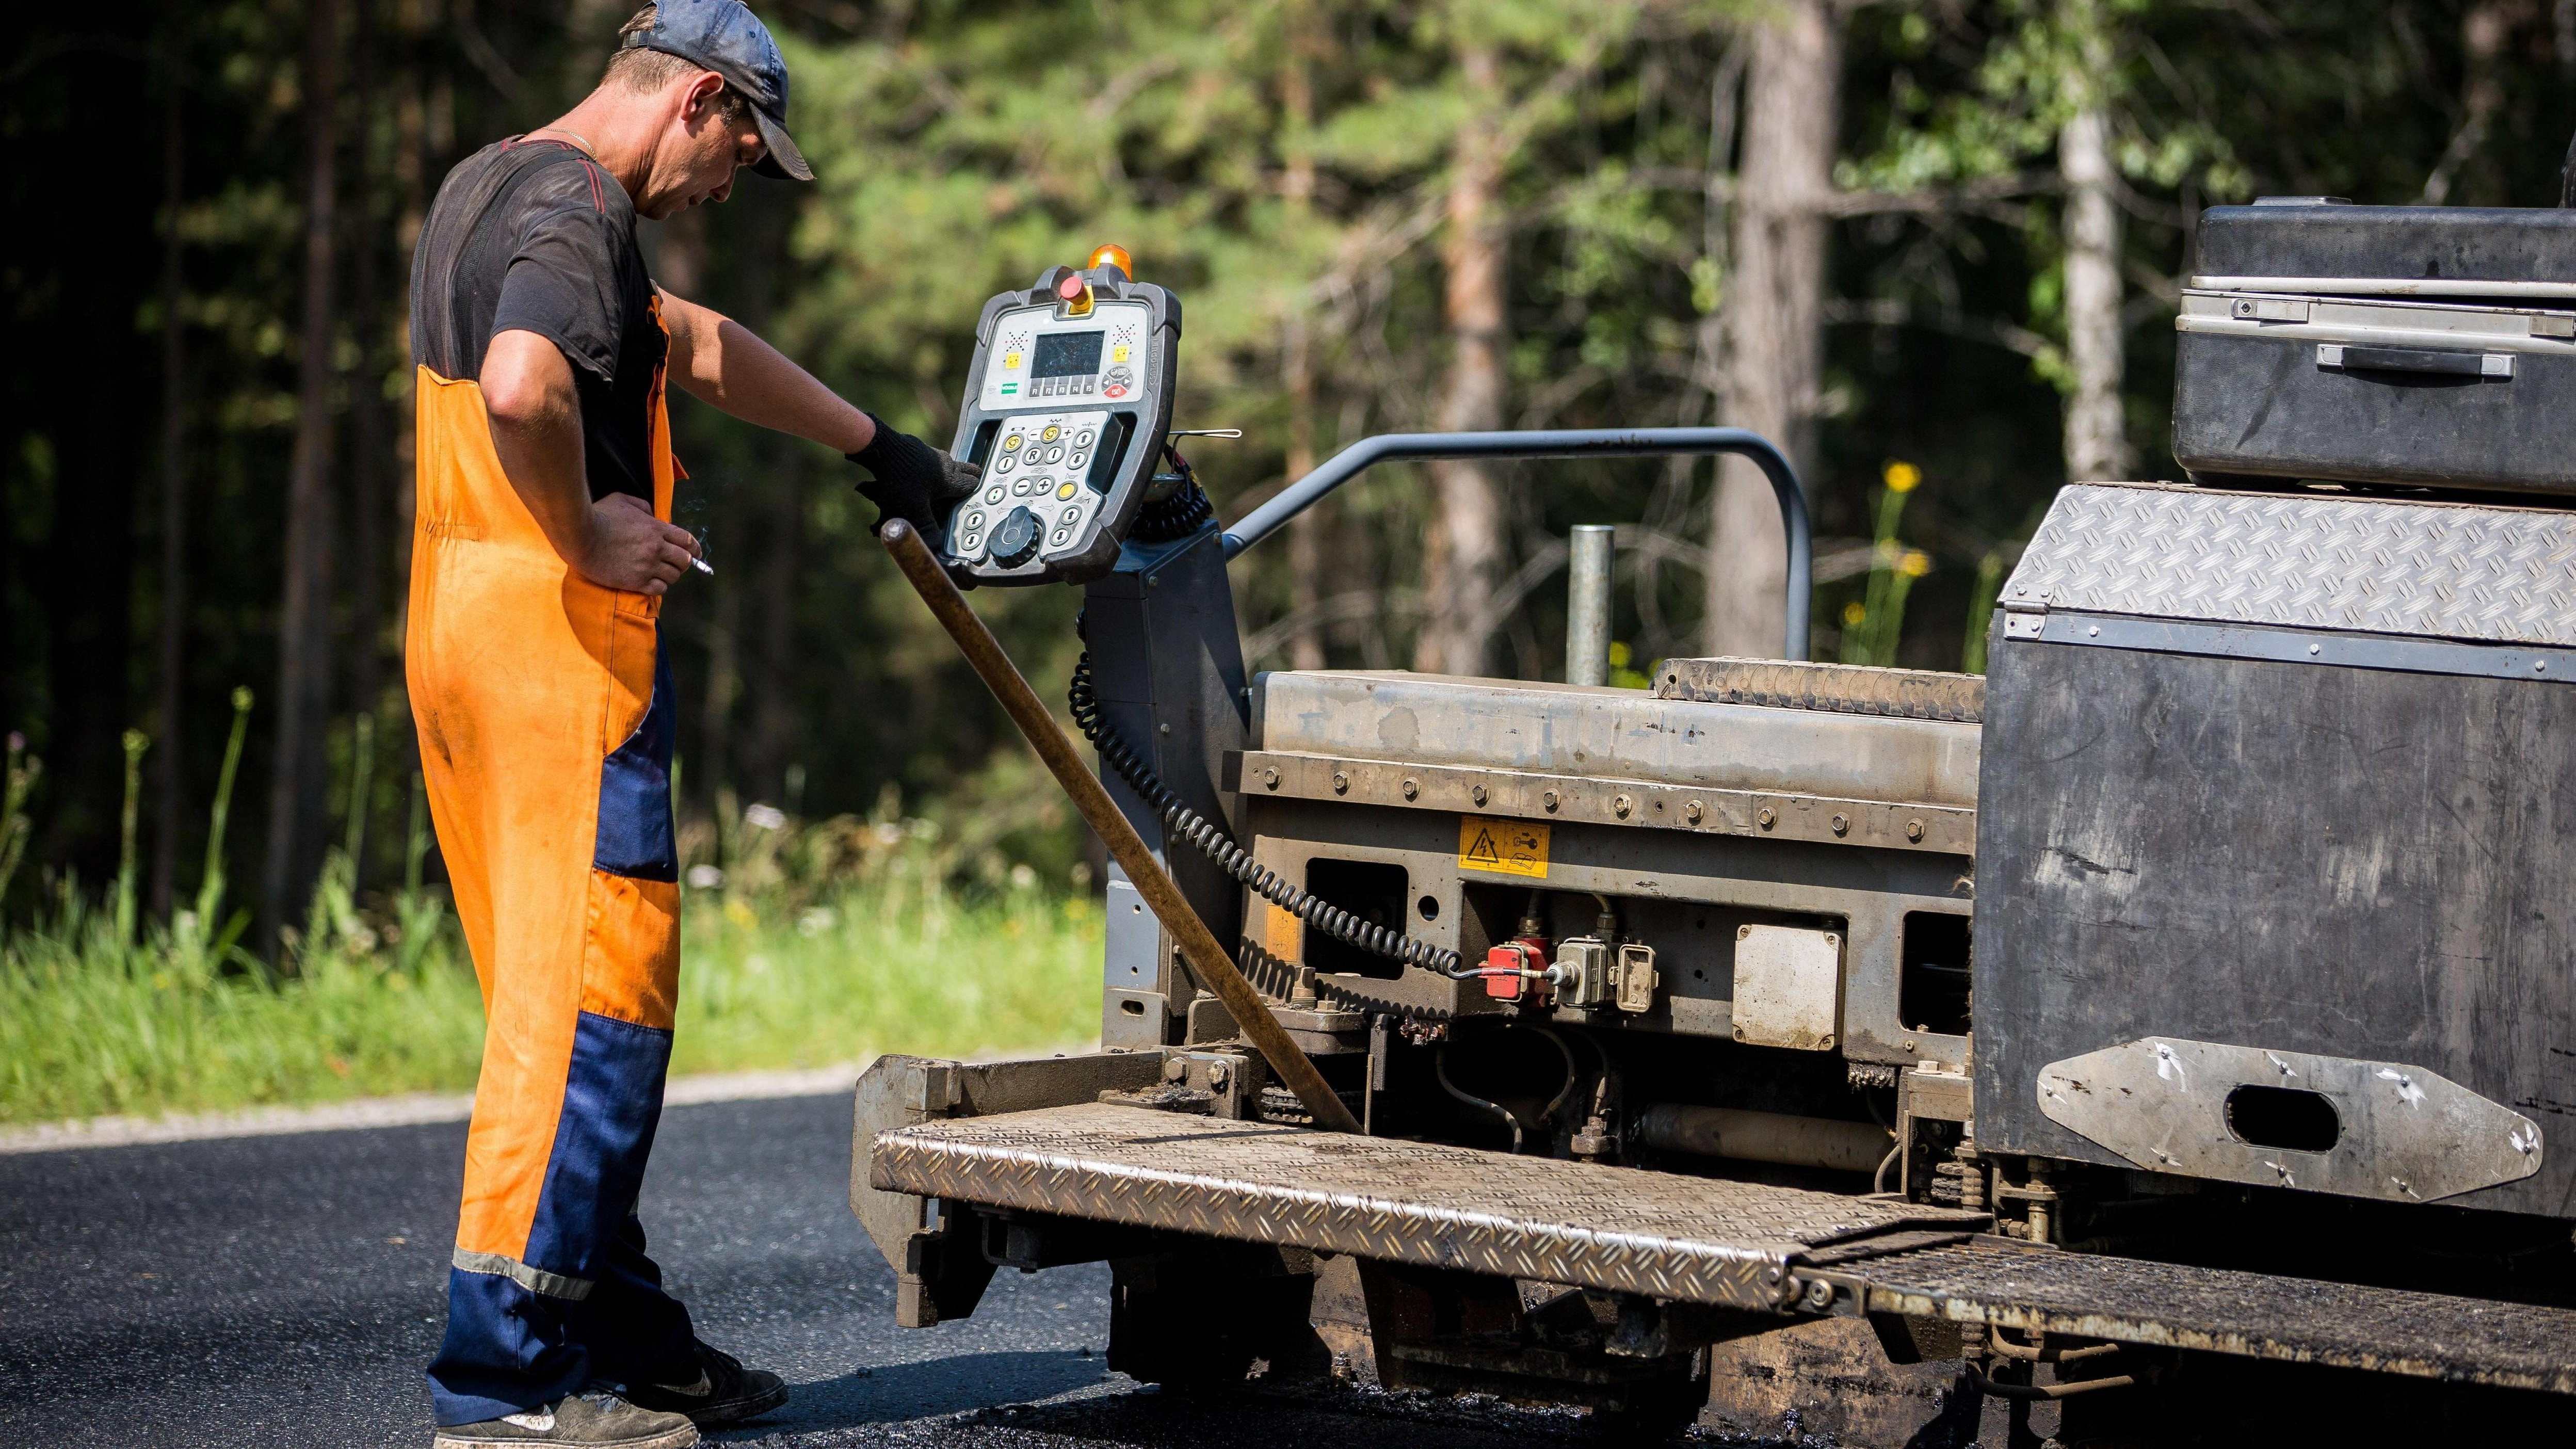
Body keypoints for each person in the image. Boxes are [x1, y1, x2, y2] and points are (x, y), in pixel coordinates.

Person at [405, 4, 976, 1445]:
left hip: (461, 635)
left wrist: (881, 446)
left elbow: (687, 346)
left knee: (550, 1005)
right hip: (559, 657)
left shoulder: (494, 178)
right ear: (700, 101)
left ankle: (619, 1329)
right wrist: (590, 530)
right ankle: (511, 1387)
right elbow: (532, 385)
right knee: (592, 1020)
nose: (731, 183)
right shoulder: (578, 208)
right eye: (741, 151)